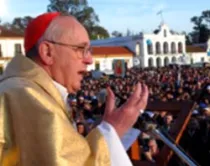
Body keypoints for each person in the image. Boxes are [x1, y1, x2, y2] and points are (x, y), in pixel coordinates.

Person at [0, 12, 149, 166]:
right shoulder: (28, 96)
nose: (90, 60)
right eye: (80, 49)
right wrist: (113, 129)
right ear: (47, 52)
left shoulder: (23, 90)